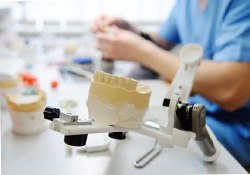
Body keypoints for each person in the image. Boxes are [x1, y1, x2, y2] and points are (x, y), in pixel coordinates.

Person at [91, 0, 250, 169]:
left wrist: (140, 50)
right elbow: (161, 42)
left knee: (145, 153)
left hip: (235, 127)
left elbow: (231, 90)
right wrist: (130, 31)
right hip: (194, 110)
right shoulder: (187, 3)